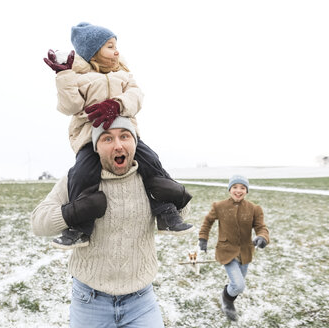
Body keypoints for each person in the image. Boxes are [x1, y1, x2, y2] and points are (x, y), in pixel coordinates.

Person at [43, 22, 194, 249]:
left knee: (152, 162)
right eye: (109, 46)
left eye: (116, 45)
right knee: (83, 174)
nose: (116, 51)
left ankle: (166, 214)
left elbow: (137, 96)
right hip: (89, 136)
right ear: (93, 52)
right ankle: (79, 229)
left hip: (126, 135)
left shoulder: (123, 74)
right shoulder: (77, 77)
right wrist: (63, 75)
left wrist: (117, 104)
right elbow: (70, 106)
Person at [32, 117, 178, 327]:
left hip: (141, 301)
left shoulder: (149, 176)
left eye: (124, 136)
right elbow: (38, 222)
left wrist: (177, 197)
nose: (118, 145)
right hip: (90, 302)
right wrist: (73, 212)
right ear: (96, 147)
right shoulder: (77, 180)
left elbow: (183, 214)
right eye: (107, 138)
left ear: (135, 142)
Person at [197, 175, 270, 322]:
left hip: (245, 253)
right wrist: (203, 238)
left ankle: (229, 294)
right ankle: (227, 301)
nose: (238, 190)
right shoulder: (219, 206)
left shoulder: (254, 209)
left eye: (242, 188)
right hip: (226, 251)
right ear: (230, 189)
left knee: (237, 284)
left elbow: (261, 227)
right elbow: (207, 222)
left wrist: (262, 238)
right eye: (235, 187)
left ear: (246, 191)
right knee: (239, 285)